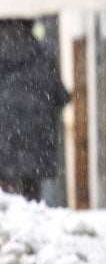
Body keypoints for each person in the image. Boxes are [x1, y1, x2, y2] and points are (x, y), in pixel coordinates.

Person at [0, 19, 71, 202]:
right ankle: (32, 215)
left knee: (5, 194)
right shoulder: (42, 53)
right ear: (29, 24)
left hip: (3, 141)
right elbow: (60, 95)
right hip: (35, 140)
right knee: (31, 195)